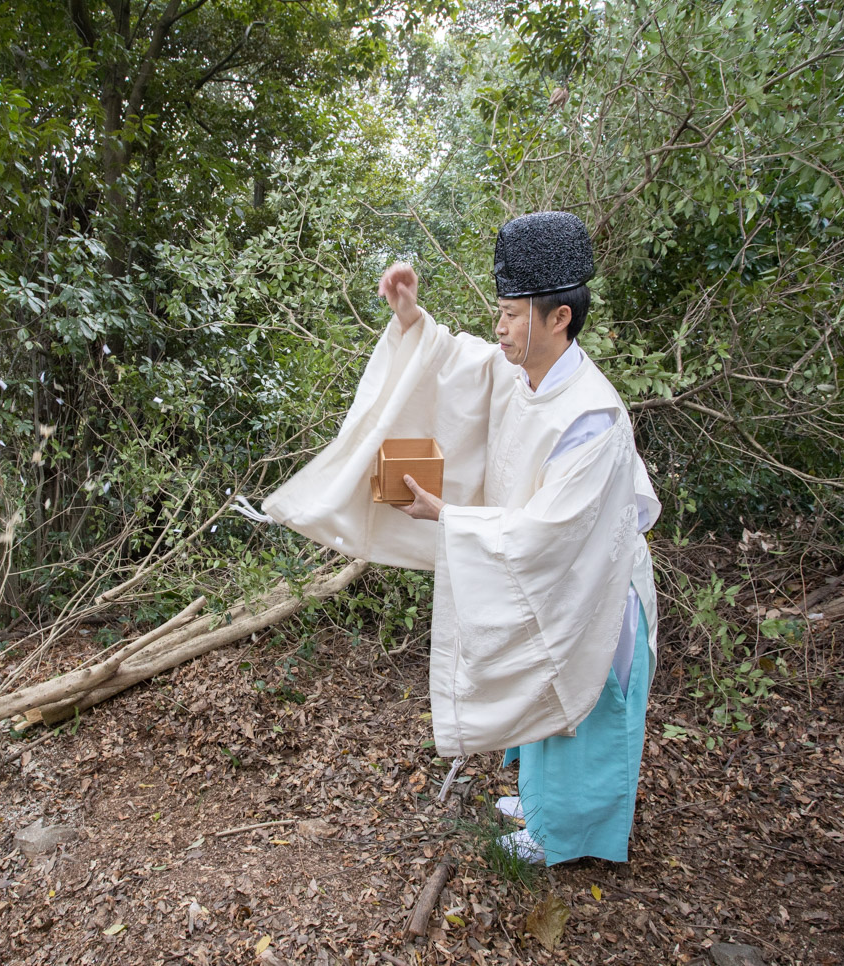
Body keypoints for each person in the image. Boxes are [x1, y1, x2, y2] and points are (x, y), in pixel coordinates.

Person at [261, 212, 659, 865]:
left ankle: (568, 836)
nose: (498, 329)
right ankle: (540, 803)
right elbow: (448, 367)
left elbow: (548, 535)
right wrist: (410, 318)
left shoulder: (592, 418)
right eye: (497, 313)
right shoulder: (519, 371)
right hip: (552, 581)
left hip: (593, 589)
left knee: (577, 708)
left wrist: (448, 515)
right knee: (537, 682)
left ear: (557, 319)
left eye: (510, 315)